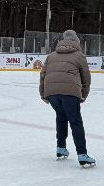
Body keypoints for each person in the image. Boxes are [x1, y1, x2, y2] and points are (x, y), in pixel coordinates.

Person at [40, 29, 94, 166]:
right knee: (75, 121)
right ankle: (82, 155)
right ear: (76, 42)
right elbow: (86, 78)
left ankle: (61, 148)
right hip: (70, 93)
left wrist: (43, 94)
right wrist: (83, 95)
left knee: (61, 117)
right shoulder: (79, 56)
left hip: (52, 93)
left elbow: (43, 75)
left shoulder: (51, 56)